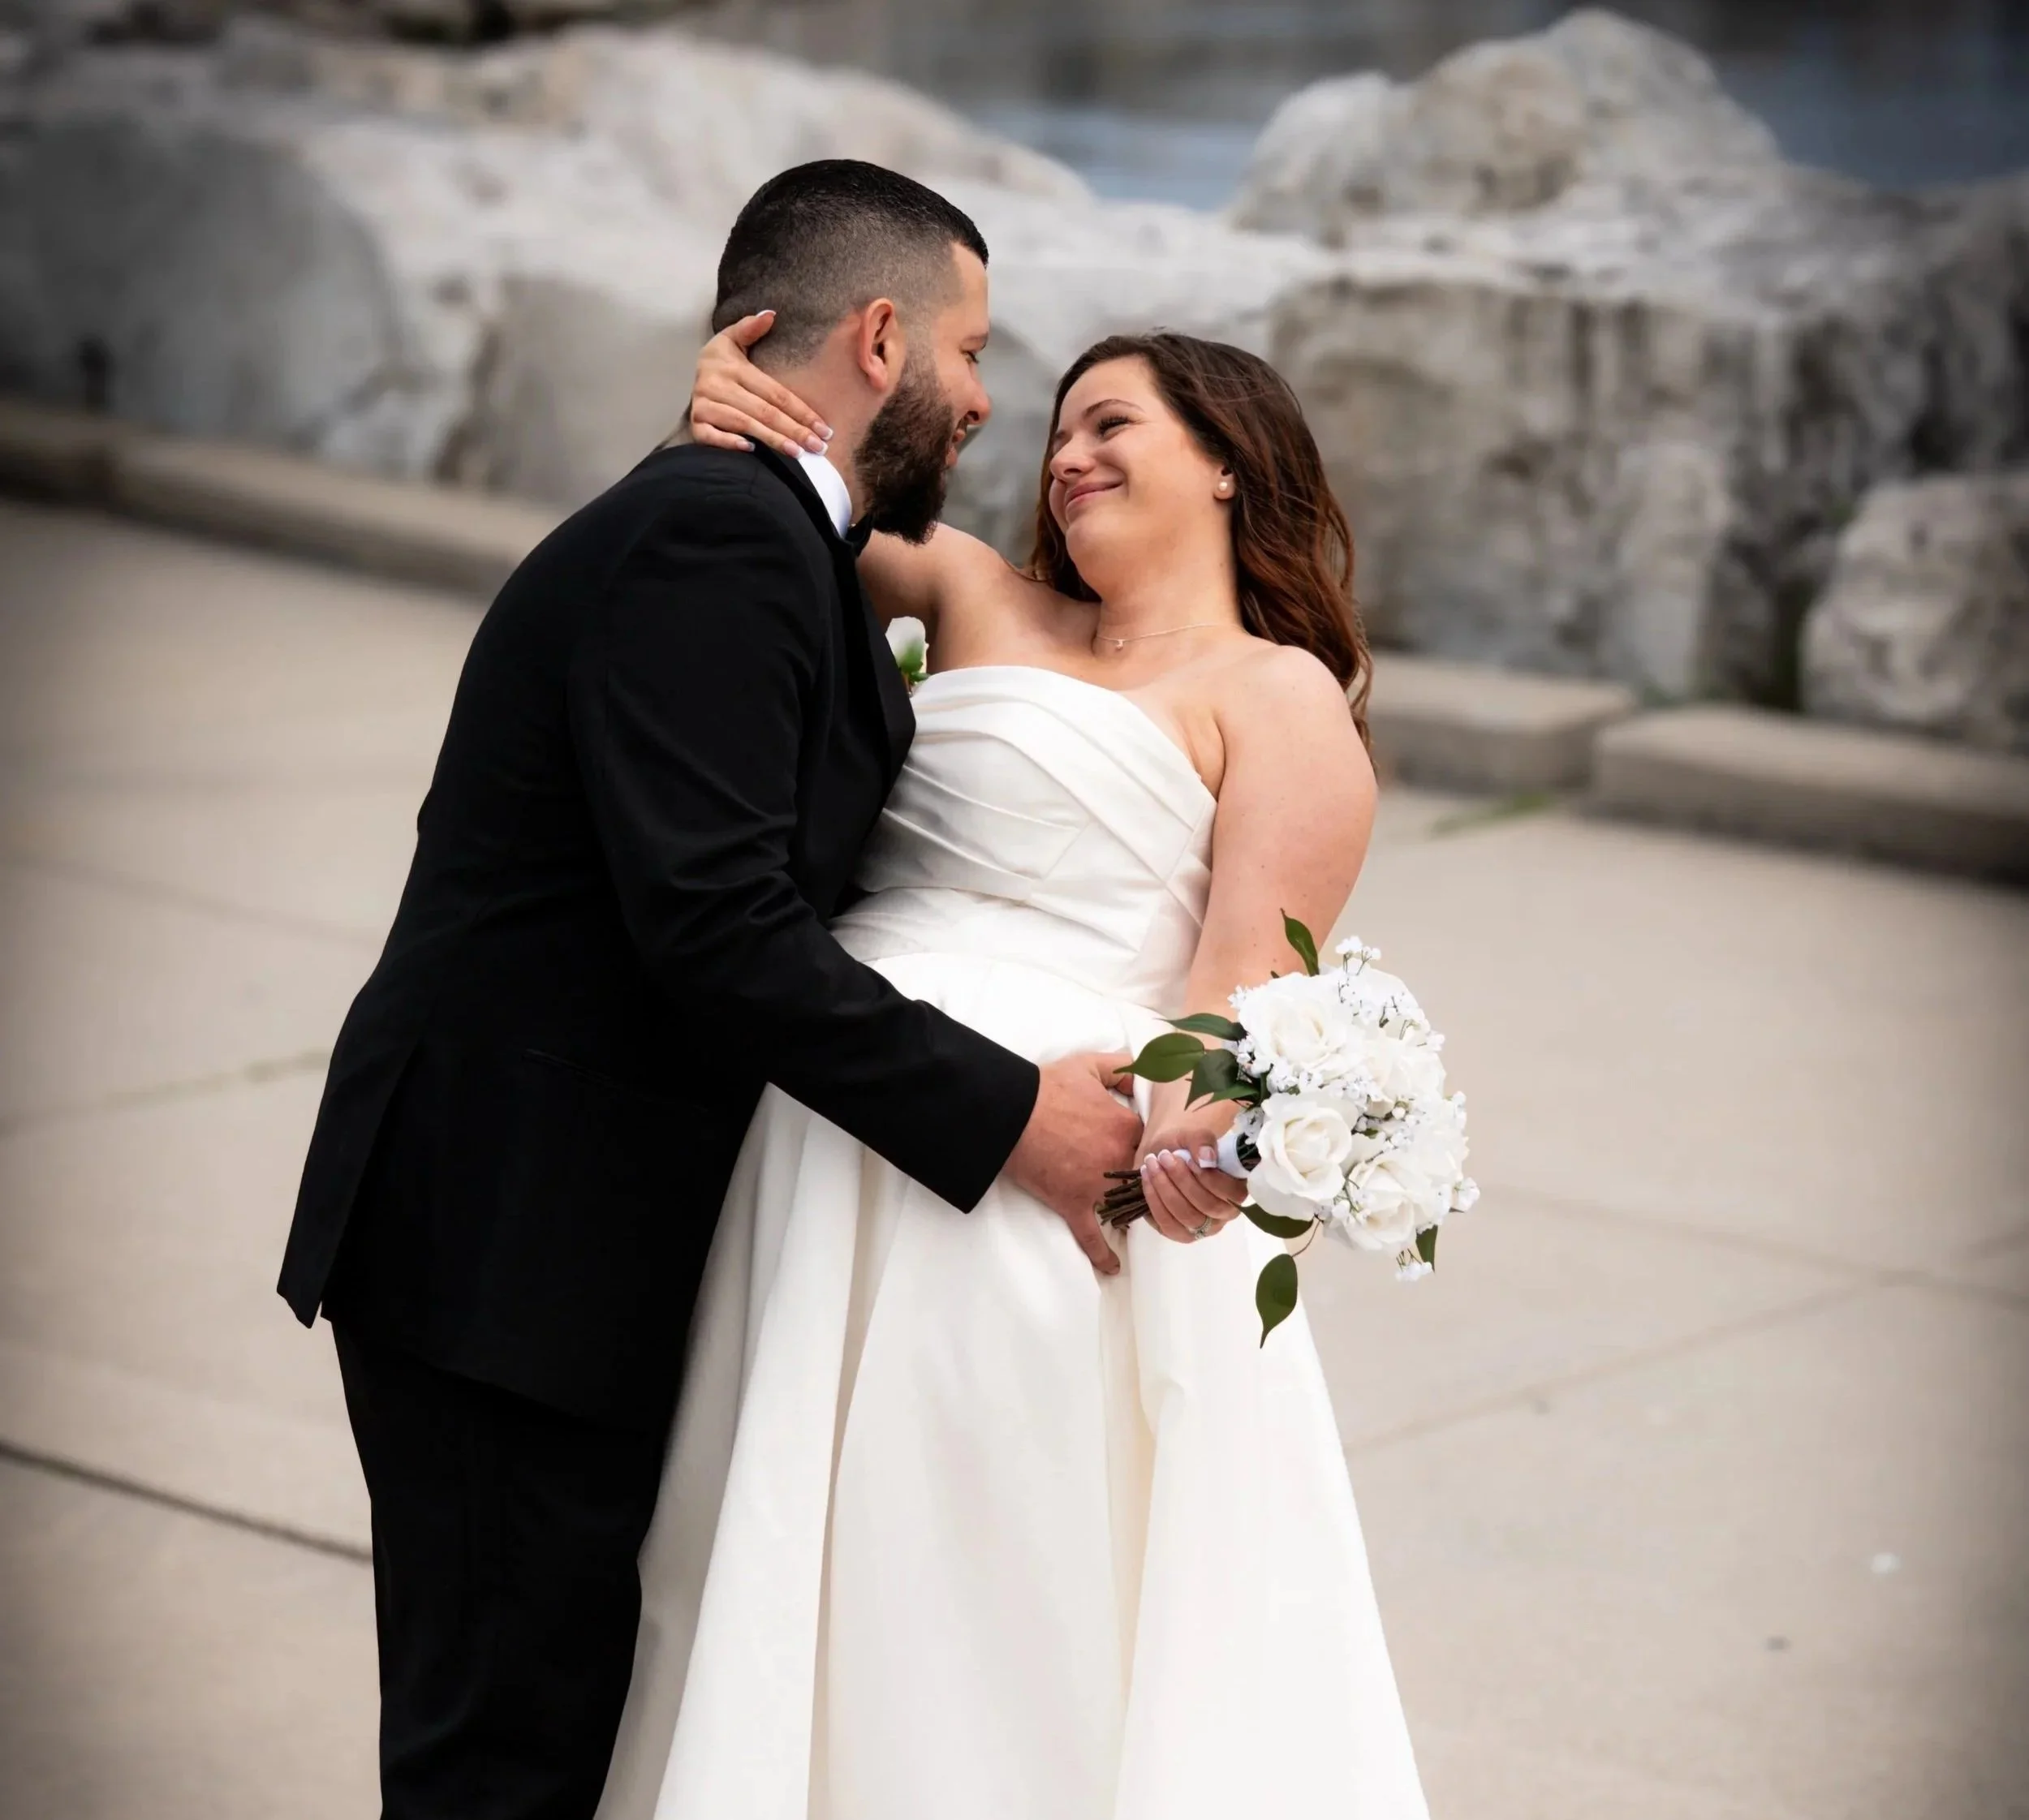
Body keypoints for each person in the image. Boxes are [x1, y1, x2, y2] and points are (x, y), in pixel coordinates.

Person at [275, 160, 1174, 1820]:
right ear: (884, 336)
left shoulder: (760, 527)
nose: (991, 399)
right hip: (504, 1248)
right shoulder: (719, 533)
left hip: (546, 1244)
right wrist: (1007, 1119)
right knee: (499, 1760)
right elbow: (716, 924)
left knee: (545, 1730)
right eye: (973, 352)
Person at [592, 312, 1429, 1817]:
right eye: (1057, 429)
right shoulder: (970, 588)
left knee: (966, 1585)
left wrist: (1183, 1157)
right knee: (777, 1541)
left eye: (1115, 425)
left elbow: (1239, 987)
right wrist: (719, 407)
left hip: (1029, 1182)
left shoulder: (1279, 697)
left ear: (1231, 463)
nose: (1067, 453)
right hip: (827, 1126)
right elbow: (772, 516)